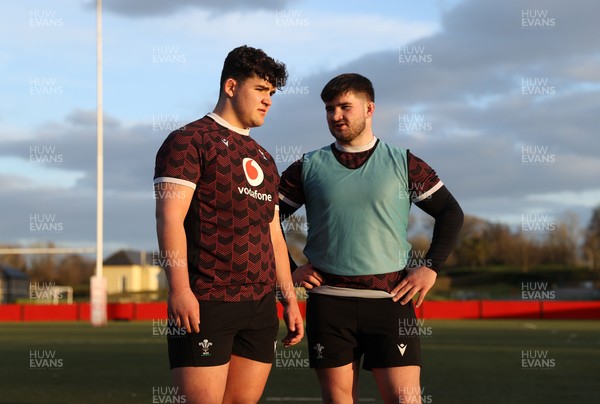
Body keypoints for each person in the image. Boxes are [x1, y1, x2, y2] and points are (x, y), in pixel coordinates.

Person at [279, 73, 464, 403]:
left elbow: (450, 212)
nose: (336, 116)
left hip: (391, 301)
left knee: (405, 399)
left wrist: (431, 267)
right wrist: (292, 268)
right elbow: (264, 219)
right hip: (329, 301)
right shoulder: (308, 166)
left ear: (369, 109)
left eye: (345, 107)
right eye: (329, 108)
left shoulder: (404, 163)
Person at [154, 45, 304, 404]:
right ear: (232, 86)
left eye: (272, 93)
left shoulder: (266, 160)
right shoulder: (188, 141)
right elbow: (169, 217)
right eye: (260, 90)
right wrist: (179, 289)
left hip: (259, 306)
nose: (268, 100)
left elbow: (273, 235)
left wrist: (290, 299)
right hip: (207, 300)